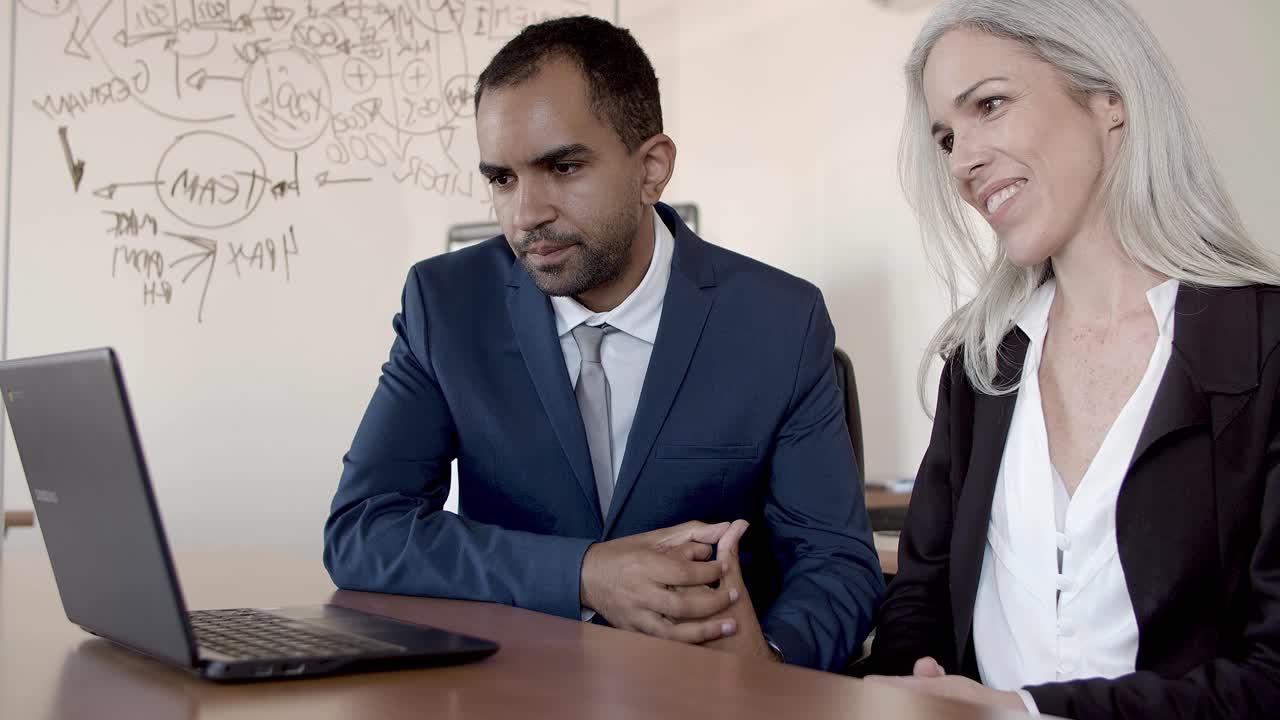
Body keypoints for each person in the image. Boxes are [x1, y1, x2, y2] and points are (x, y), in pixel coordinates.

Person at [323, 15, 882, 671]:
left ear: (651, 169)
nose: (526, 213)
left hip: (706, 694)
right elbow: (364, 528)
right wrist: (584, 573)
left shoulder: (778, 319)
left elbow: (837, 561)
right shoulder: (446, 304)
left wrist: (768, 663)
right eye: (502, 178)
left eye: (562, 167)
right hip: (519, 691)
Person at [860, 0, 1280, 716]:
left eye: (989, 104)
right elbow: (920, 597)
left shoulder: (1264, 346)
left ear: (1108, 101)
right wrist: (911, 681)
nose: (962, 161)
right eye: (945, 137)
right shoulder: (980, 364)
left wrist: (1023, 711)